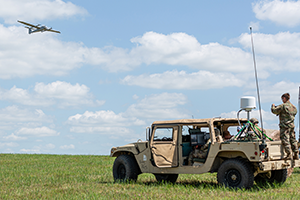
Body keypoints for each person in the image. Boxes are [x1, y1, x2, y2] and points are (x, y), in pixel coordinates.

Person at [271, 93, 298, 160]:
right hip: (291, 126)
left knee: (285, 140)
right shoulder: (294, 107)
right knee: (293, 140)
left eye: (282, 99)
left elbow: (274, 111)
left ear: (284, 98)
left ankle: (289, 154)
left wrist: (273, 106)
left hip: (284, 126)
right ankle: (296, 154)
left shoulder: (283, 106)